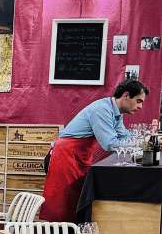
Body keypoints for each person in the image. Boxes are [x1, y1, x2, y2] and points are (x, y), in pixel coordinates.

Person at [40, 78, 148, 223]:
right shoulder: (102, 109)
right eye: (139, 101)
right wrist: (143, 143)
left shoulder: (115, 112)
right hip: (64, 156)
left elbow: (125, 137)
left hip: (77, 159)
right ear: (126, 95)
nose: (140, 106)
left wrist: (143, 142)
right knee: (61, 208)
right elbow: (110, 144)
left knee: (74, 205)